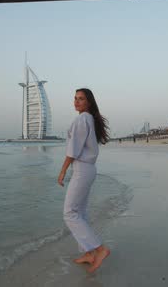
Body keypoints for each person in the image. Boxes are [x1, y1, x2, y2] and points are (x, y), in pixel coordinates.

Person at [57, 88, 111, 273]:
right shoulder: (89, 119)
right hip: (88, 169)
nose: (76, 101)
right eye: (75, 98)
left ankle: (99, 249)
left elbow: (73, 150)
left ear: (88, 102)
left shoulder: (82, 119)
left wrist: (62, 171)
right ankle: (89, 253)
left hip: (82, 169)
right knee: (79, 212)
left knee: (70, 213)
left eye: (81, 99)